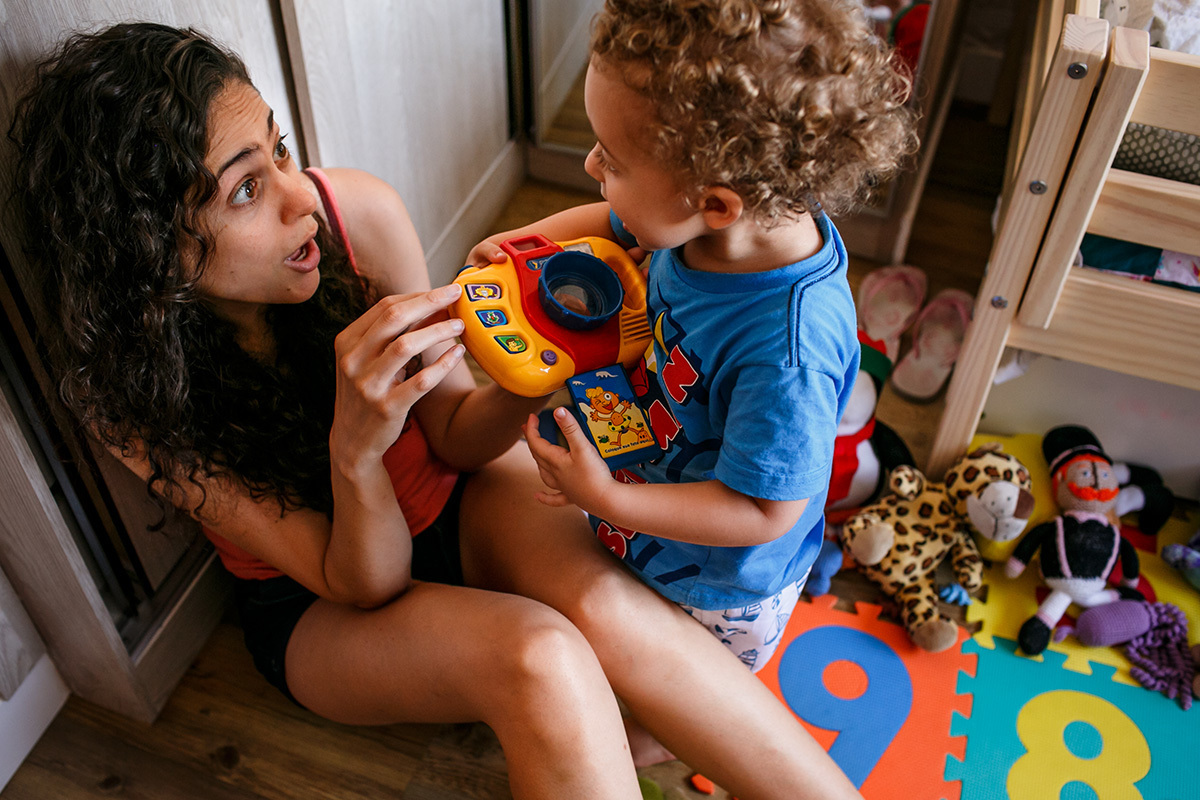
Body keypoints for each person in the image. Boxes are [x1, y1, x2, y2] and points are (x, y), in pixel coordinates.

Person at [10, 20, 861, 800]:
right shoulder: (131, 402)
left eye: (278, 149)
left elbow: (455, 440)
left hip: (458, 497)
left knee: (612, 619)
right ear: (152, 249)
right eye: (243, 192)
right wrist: (357, 449)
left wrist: (532, 362)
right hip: (329, 607)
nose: (298, 197)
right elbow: (363, 585)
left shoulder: (355, 215)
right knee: (543, 660)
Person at [469, 0, 916, 673]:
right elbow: (611, 222)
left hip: (716, 591)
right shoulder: (709, 219)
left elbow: (761, 510)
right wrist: (522, 245)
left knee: (660, 706)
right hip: (643, 501)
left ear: (714, 203)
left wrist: (609, 499)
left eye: (612, 160)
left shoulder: (786, 347)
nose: (593, 164)